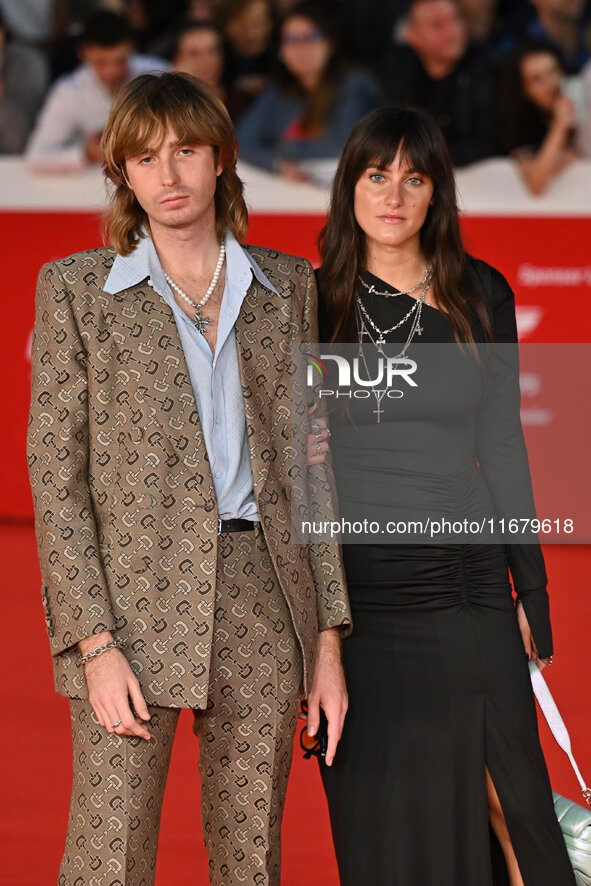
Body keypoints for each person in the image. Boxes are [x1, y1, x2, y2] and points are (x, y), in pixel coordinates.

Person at [27, 71, 350, 886]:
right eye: (143, 158)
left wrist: (326, 639)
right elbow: (54, 479)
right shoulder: (76, 291)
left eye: (185, 152)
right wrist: (91, 643)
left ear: (221, 161)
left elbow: (314, 469)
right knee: (109, 858)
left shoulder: (288, 289)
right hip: (127, 602)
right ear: (121, 175)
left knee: (251, 863)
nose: (166, 175)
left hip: (263, 598)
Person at [314, 106, 576, 886]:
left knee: (508, 798)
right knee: (390, 812)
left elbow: (501, 443)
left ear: (437, 194)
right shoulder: (309, 299)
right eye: (375, 174)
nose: (393, 194)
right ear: (349, 186)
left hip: (464, 581)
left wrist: (528, 582)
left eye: (414, 177)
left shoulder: (477, 293)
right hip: (359, 596)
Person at [237, 0, 378, 180]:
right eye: (291, 39)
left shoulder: (354, 87)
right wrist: (277, 163)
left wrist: (284, 150)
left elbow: (348, 146)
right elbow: (240, 140)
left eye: (311, 37)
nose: (300, 48)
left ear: (331, 42)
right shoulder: (278, 91)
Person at [25, 10, 168, 173]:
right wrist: (86, 153)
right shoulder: (69, 91)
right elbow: (36, 156)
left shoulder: (160, 74)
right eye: (100, 62)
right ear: (82, 53)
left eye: (120, 60)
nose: (111, 71)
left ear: (131, 48)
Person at [381, 0, 498, 167]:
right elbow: (390, 132)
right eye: (437, 25)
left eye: (456, 19)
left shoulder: (485, 65)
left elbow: (488, 140)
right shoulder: (398, 67)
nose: (452, 31)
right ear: (413, 36)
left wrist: (426, 161)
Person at [499, 41, 586, 195]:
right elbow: (536, 184)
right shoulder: (519, 126)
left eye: (553, 71)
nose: (550, 82)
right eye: (536, 79)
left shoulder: (584, 101)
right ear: (525, 90)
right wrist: (560, 126)